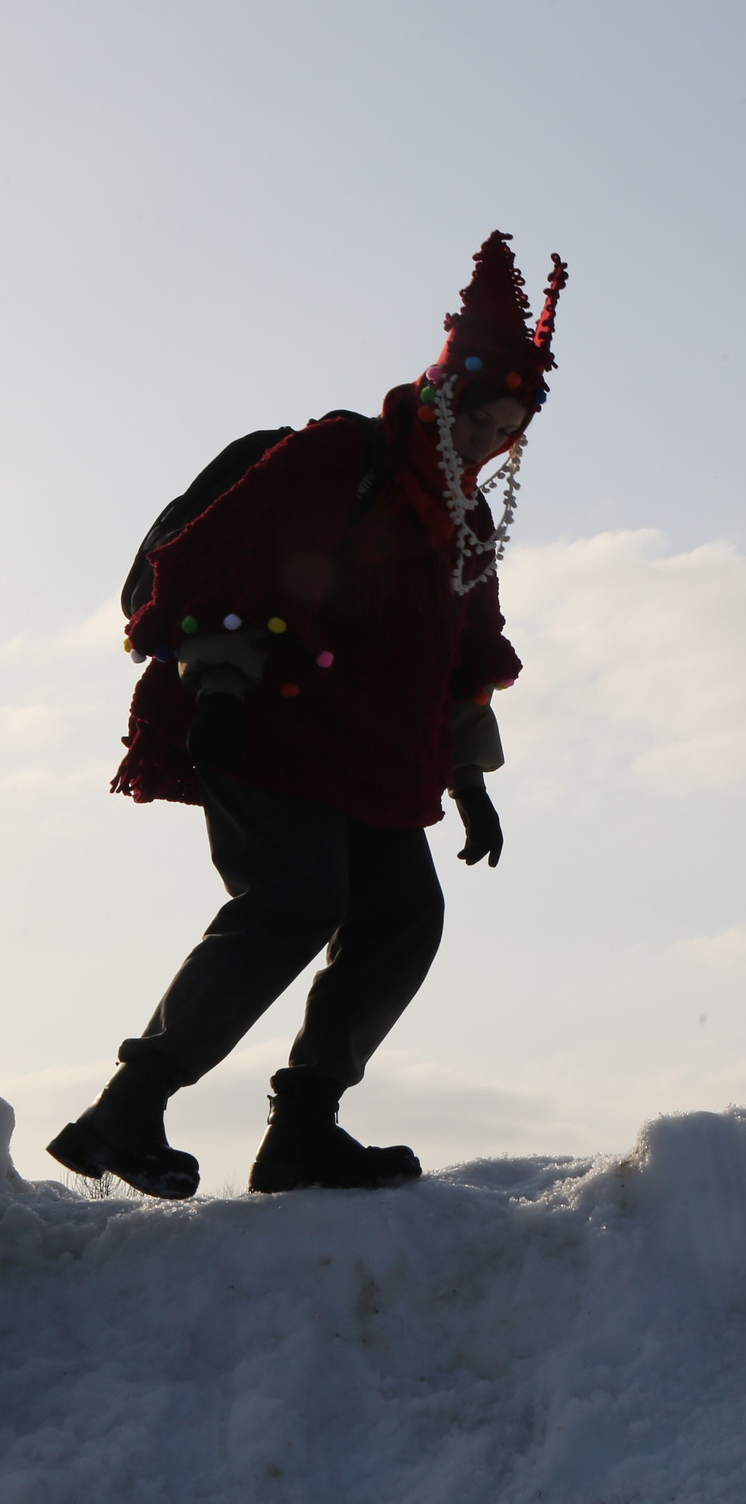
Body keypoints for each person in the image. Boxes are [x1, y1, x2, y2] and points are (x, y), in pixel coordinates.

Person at [49, 230, 566, 1198]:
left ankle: (303, 1132)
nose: (489, 444)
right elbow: (224, 563)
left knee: (403, 916)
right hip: (264, 722)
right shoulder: (341, 454)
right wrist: (225, 690)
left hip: (369, 754)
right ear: (444, 396)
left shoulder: (465, 519)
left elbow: (453, 659)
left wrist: (469, 778)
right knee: (292, 900)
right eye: (480, 418)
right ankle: (126, 1113)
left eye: (508, 431)